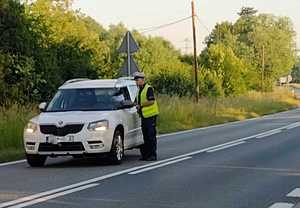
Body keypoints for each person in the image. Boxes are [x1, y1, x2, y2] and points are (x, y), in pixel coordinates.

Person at [133, 72, 159, 161]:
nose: (136, 82)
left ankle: (153, 155)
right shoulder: (139, 90)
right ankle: (146, 155)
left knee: (151, 136)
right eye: (135, 80)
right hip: (144, 116)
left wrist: (141, 105)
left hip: (151, 116)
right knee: (145, 136)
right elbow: (136, 101)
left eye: (137, 80)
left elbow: (151, 101)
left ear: (143, 80)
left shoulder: (148, 88)